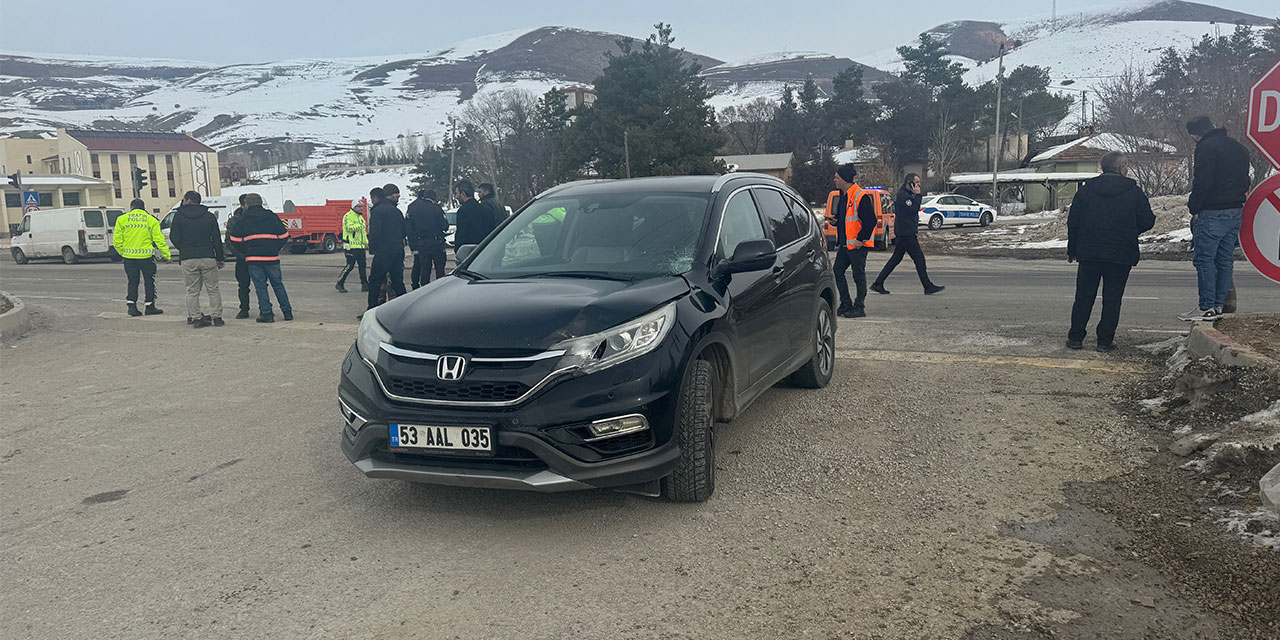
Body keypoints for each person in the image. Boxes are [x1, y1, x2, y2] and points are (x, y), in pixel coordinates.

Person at [1066, 152, 1156, 352]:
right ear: (1122, 168)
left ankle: (1076, 338)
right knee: (1112, 299)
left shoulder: (1086, 191)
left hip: (1089, 252)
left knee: (1083, 296)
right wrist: (1130, 230)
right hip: (1121, 253)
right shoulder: (1134, 192)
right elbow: (1148, 221)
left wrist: (1073, 250)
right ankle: (1104, 341)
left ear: (1103, 168)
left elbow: (1073, 223)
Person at [1179, 115, 1251, 322]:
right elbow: (1245, 179)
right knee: (1225, 259)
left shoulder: (1206, 148)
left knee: (1205, 259)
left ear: (1194, 135)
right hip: (1235, 210)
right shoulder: (1238, 147)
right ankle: (1219, 305)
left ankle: (1207, 307)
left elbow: (1202, 181)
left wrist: (1194, 207)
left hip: (1212, 211)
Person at [871, 174, 945, 295]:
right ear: (910, 183)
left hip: (905, 231)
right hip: (906, 233)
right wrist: (918, 195)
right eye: (916, 182)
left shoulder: (908, 195)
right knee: (919, 259)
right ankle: (927, 286)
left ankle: (878, 283)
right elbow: (913, 208)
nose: (918, 185)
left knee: (896, 258)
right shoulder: (903, 196)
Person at [228, 193, 292, 323]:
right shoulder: (272, 216)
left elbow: (233, 239)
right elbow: (285, 235)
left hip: (253, 259)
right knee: (278, 284)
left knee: (261, 286)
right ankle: (287, 312)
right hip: (271, 257)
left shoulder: (243, 219)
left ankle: (266, 313)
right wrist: (275, 248)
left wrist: (246, 251)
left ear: (247, 204)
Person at [169, 191, 226, 327]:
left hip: (188, 258)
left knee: (192, 290)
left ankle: (196, 319)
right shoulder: (209, 216)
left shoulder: (179, 216)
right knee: (213, 289)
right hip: (207, 256)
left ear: (188, 200)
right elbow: (216, 239)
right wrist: (220, 258)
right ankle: (217, 317)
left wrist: (184, 248)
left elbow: (174, 237)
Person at [829, 164, 877, 318]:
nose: (834, 180)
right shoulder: (843, 195)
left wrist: (860, 239)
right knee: (837, 271)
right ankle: (846, 303)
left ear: (844, 179)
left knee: (858, 276)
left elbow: (871, 221)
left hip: (857, 245)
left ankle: (859, 306)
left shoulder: (860, 196)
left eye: (837, 177)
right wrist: (836, 222)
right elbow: (847, 219)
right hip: (845, 244)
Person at [112, 198, 169, 316]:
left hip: (129, 257)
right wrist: (166, 255)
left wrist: (123, 252)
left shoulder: (122, 219)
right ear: (144, 207)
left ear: (131, 207)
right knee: (149, 281)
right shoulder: (150, 220)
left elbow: (117, 240)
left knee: (132, 281)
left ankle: (132, 306)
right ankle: (149, 306)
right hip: (146, 257)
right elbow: (159, 240)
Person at [366, 183, 408, 310]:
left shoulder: (377, 211)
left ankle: (372, 308)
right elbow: (404, 230)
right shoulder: (397, 211)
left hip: (383, 252)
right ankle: (405, 307)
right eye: (396, 197)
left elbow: (375, 233)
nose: (398, 200)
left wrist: (373, 249)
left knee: (375, 281)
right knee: (397, 281)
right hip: (398, 251)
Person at [406, 188, 450, 288]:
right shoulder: (436, 208)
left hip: (422, 242)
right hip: (436, 242)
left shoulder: (414, 209)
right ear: (434, 198)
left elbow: (410, 227)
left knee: (425, 268)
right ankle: (440, 289)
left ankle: (425, 287)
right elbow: (445, 226)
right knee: (439, 267)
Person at [225, 194, 253, 319]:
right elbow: (229, 240)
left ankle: (265, 309)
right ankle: (244, 309)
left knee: (262, 285)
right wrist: (240, 255)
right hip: (242, 258)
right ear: (243, 205)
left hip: (257, 256)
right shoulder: (235, 220)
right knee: (243, 286)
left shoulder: (256, 217)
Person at [336, 199, 369, 293]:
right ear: (353, 207)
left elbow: (363, 233)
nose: (361, 208)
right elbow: (348, 228)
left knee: (362, 266)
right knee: (350, 265)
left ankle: (364, 284)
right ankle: (340, 282)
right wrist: (361, 226)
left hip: (360, 247)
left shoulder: (360, 218)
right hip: (350, 246)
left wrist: (367, 243)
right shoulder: (347, 216)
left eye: (362, 206)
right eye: (359, 206)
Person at [453, 179, 495, 247]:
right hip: (485, 249)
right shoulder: (485, 209)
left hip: (469, 251)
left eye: (457, 193)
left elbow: (461, 234)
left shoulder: (463, 211)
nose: (456, 197)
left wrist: (457, 248)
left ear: (463, 194)